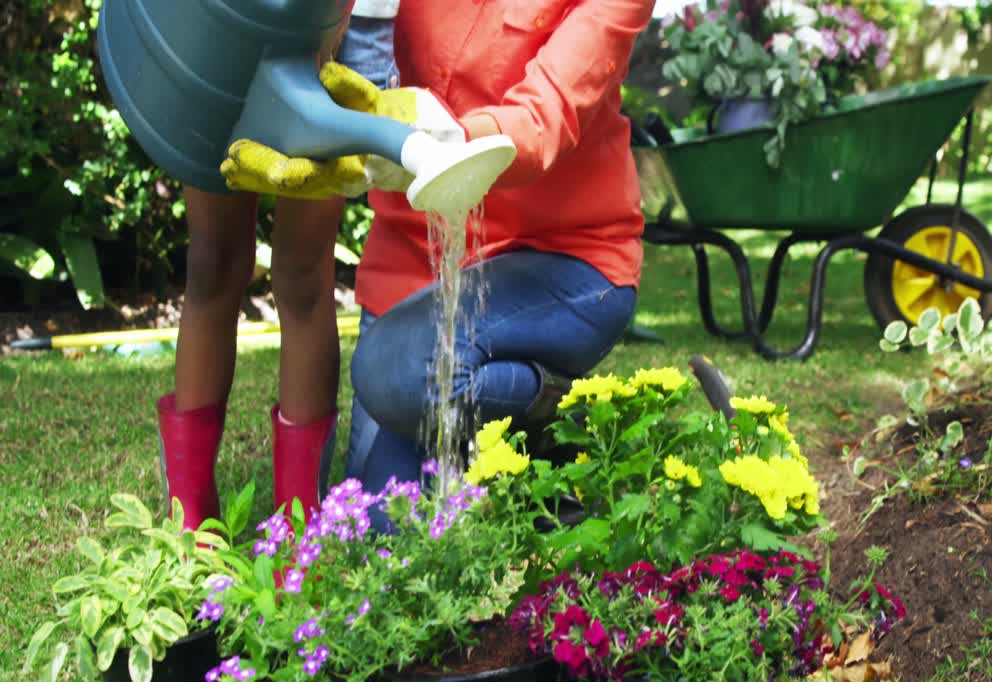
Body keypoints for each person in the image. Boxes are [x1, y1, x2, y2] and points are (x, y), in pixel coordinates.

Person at [223, 0, 657, 520]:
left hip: (564, 262)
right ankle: (507, 451)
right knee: (381, 529)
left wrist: (431, 138)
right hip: (417, 255)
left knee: (394, 374)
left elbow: (546, 118)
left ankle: (556, 415)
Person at [158, 1, 402, 530]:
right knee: (214, 260)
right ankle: (189, 526)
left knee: (302, 273)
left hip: (348, 22)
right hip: (224, 18)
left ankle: (300, 529)